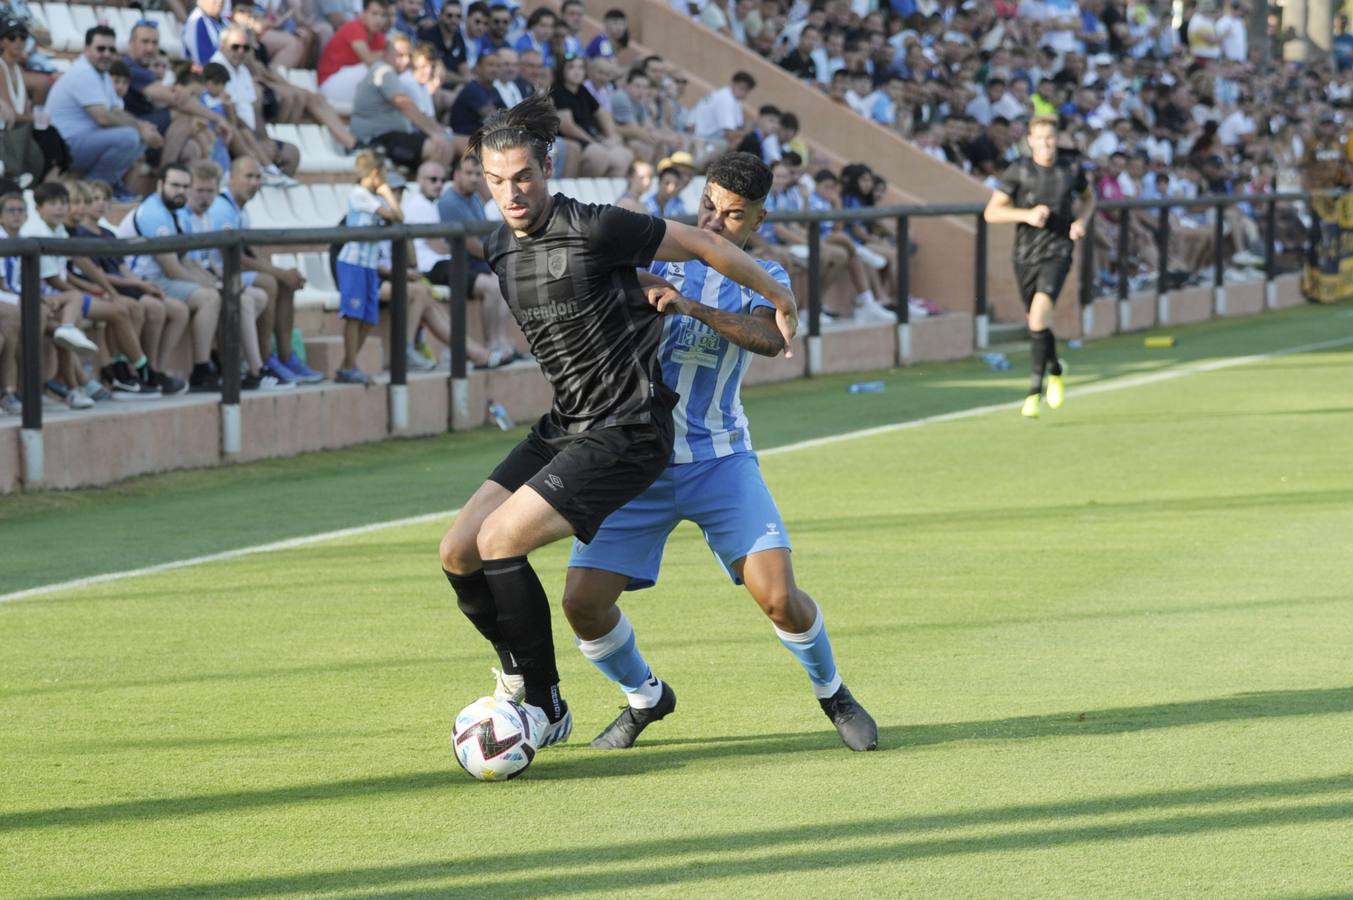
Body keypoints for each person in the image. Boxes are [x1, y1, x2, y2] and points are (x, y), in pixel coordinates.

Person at [436, 94, 798, 755]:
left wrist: (778, 297)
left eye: (524, 176)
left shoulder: (596, 224)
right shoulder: (496, 246)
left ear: (547, 167)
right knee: (458, 550)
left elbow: (699, 240)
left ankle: (543, 706)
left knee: (499, 542)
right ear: (481, 180)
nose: (512, 192)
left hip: (628, 427)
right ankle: (523, 675)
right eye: (497, 181)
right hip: (567, 421)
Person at [562, 152, 877, 751]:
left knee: (780, 598)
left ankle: (832, 692)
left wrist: (692, 307)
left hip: (720, 458)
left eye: (732, 215)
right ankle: (645, 698)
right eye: (708, 205)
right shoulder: (651, 249)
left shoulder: (767, 273)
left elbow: (766, 336)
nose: (713, 221)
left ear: (757, 219)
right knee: (581, 604)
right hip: (635, 460)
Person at [983, 115, 1094, 419]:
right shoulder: (1019, 171)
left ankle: (1034, 391)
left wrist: (1081, 222)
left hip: (1058, 251)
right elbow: (992, 212)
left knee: (1037, 317)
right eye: (1040, 138)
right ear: (1029, 140)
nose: (1046, 144)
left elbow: (1088, 198)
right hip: (1024, 255)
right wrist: (1026, 215)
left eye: (1051, 138)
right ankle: (1055, 368)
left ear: (1056, 139)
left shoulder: (1070, 169)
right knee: (1037, 322)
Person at [210, 156, 324, 383]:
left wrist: (283, 273)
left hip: (233, 271)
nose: (254, 183)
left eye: (258, 177)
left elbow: (250, 251)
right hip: (216, 271)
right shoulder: (222, 208)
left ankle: (286, 356)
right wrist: (278, 273)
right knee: (270, 282)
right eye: (248, 177)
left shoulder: (241, 210)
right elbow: (234, 257)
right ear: (231, 178)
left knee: (284, 281)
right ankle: (265, 359)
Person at [117, 163, 225, 392]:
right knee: (209, 299)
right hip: (139, 280)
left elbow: (189, 261)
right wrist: (211, 288)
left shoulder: (179, 213)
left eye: (185, 186)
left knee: (197, 302)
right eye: (175, 185)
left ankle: (157, 370)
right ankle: (201, 369)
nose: (180, 191)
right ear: (160, 185)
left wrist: (215, 283)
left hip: (159, 279)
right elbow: (171, 268)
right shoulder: (153, 212)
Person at [414, 156, 516, 363]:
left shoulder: (476, 199)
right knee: (493, 285)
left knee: (507, 278)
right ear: (457, 175)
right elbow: (470, 246)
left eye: (478, 174)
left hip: (462, 261)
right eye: (469, 173)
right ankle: (492, 344)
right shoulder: (449, 203)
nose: (474, 179)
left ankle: (500, 341)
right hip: (451, 263)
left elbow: (485, 240)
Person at [46, 26, 160, 192]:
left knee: (141, 136)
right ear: (86, 49)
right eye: (100, 48)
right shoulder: (83, 72)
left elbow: (115, 112)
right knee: (129, 137)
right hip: (64, 146)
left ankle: (108, 184)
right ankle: (93, 189)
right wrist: (139, 128)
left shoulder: (103, 74)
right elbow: (103, 118)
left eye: (111, 49)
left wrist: (143, 126)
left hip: (83, 141)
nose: (107, 53)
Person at [335, 150, 401, 384]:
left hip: (368, 266)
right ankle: (350, 366)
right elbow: (394, 215)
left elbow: (399, 216)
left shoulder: (373, 196)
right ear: (375, 173)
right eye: (383, 174)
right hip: (353, 262)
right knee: (353, 317)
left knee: (369, 318)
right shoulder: (359, 194)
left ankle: (346, 366)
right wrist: (386, 193)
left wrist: (385, 193)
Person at [352, 34, 455, 170]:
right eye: (400, 55)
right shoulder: (385, 71)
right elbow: (405, 105)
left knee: (446, 146)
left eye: (409, 56)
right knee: (438, 149)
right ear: (386, 54)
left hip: (391, 137)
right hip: (376, 140)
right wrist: (434, 133)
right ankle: (426, 185)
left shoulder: (389, 72)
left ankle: (428, 185)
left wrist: (438, 132)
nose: (406, 61)